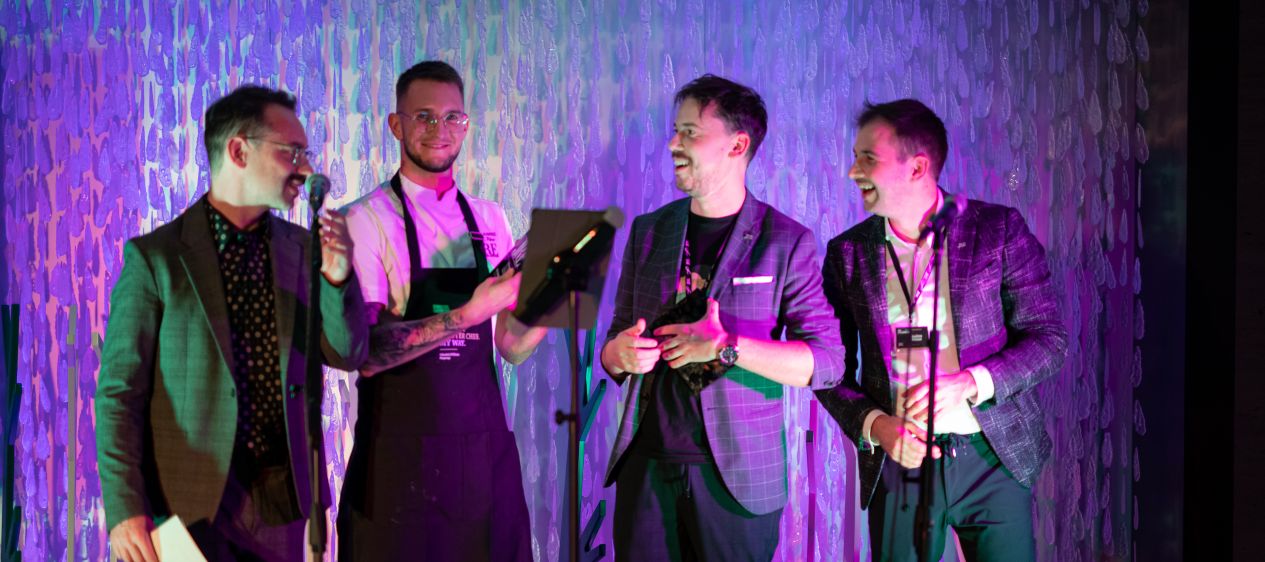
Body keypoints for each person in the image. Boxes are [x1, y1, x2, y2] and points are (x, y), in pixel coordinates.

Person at [96, 85, 369, 562]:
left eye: (306, 154)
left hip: (281, 504)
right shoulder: (157, 259)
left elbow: (347, 353)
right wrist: (124, 509)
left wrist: (338, 278)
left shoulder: (304, 249)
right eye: (292, 152)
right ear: (239, 150)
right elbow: (120, 394)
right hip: (187, 507)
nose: (306, 170)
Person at [599, 74, 845, 561]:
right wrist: (618, 355)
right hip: (646, 468)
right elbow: (612, 345)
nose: (674, 143)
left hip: (738, 479)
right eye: (675, 131)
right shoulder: (649, 231)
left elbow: (828, 362)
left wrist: (726, 346)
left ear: (737, 145)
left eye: (689, 132)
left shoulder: (785, 241)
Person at [816, 99, 1067, 561]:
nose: (853, 172)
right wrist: (877, 426)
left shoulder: (998, 230)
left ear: (917, 167)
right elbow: (828, 368)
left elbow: (1049, 340)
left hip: (992, 456)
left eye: (867, 158)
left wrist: (970, 383)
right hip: (900, 460)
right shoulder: (847, 253)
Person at [337, 60, 547, 561]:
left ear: (466, 125)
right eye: (424, 117)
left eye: (453, 117)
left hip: (482, 459)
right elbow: (366, 353)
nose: (440, 129)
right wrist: (467, 315)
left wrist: (554, 298)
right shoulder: (364, 220)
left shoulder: (488, 217)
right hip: (398, 467)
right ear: (396, 124)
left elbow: (510, 348)